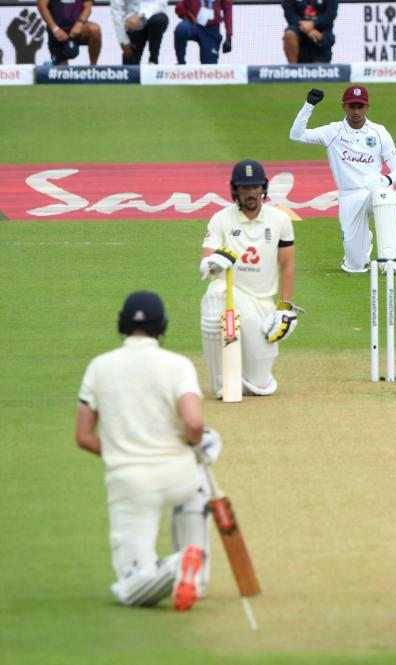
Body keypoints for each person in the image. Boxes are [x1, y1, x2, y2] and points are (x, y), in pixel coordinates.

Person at [76, 290, 219, 610]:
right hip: (178, 475)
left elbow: (83, 436)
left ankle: (174, 567)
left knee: (130, 585)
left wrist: (120, 452)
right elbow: (194, 425)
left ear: (122, 324)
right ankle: (194, 575)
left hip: (130, 484)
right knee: (196, 482)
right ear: (162, 326)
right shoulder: (178, 365)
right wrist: (195, 448)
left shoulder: (99, 367)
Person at [199, 160, 299, 396]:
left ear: (263, 188)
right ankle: (221, 383)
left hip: (262, 302)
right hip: (231, 293)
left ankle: (247, 377)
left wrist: (284, 307)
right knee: (215, 294)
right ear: (235, 190)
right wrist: (212, 263)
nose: (251, 193)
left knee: (260, 385)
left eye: (255, 187)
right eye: (245, 188)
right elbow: (207, 262)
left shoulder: (279, 220)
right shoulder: (221, 219)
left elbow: (287, 264)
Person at [289, 86, 396, 273]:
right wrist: (309, 105)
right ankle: (360, 245)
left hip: (373, 191)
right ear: (344, 107)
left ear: (367, 107)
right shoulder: (333, 131)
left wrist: (385, 181)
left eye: (360, 106)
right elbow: (296, 135)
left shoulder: (379, 131)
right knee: (355, 266)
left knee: (385, 195)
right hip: (349, 196)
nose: (356, 112)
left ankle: (390, 262)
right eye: (352, 106)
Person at [36, 0, 102, 65]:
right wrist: (55, 29)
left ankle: (93, 67)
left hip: (78, 28)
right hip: (58, 31)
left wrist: (79, 23)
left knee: (94, 30)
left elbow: (88, 6)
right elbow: (42, 6)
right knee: (61, 73)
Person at [110, 0, 169, 65]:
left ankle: (153, 60)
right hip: (132, 25)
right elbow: (116, 12)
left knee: (159, 20)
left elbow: (161, 3)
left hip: (153, 16)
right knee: (129, 68)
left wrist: (141, 15)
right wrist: (123, 40)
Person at [174, 0, 232, 64]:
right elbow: (181, 7)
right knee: (181, 30)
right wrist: (188, 14)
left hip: (211, 30)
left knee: (209, 68)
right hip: (194, 24)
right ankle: (181, 63)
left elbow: (227, 9)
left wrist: (228, 37)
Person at [282, 0, 337, 64]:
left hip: (321, 33)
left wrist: (314, 23)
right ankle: (293, 68)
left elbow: (331, 14)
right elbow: (289, 12)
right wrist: (306, 28)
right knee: (289, 34)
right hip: (298, 29)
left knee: (319, 70)